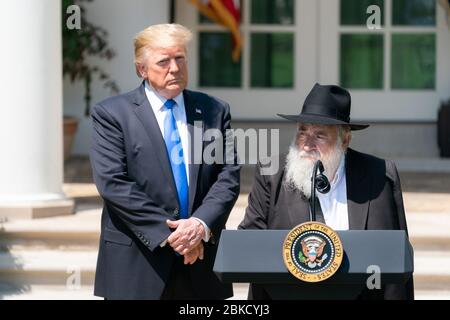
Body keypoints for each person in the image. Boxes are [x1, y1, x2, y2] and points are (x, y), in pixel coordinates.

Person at [90, 24, 240, 300]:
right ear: (142, 70)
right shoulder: (112, 114)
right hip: (138, 262)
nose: (174, 68)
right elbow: (113, 183)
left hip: (200, 261)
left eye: (180, 58)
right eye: (163, 61)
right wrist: (171, 234)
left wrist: (199, 225)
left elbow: (227, 176)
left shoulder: (214, 110)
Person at [238, 83, 414, 300]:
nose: (306, 143)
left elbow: (395, 256)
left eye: (319, 135)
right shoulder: (271, 174)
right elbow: (249, 243)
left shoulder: (378, 175)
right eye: (302, 131)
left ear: (345, 140)